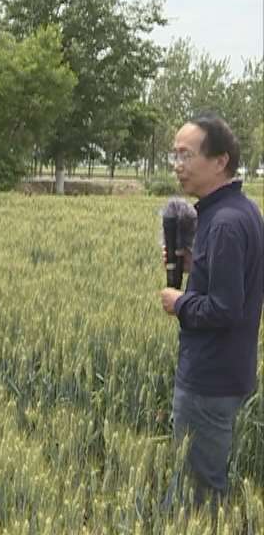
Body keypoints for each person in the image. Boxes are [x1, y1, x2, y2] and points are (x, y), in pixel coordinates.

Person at [160, 113, 264, 508]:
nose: (177, 165)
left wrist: (180, 302)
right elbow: (240, 282)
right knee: (195, 483)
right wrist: (196, 266)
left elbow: (225, 309)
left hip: (209, 377)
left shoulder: (223, 224)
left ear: (220, 161)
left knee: (196, 493)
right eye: (174, 155)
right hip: (228, 370)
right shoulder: (241, 211)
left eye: (186, 155)